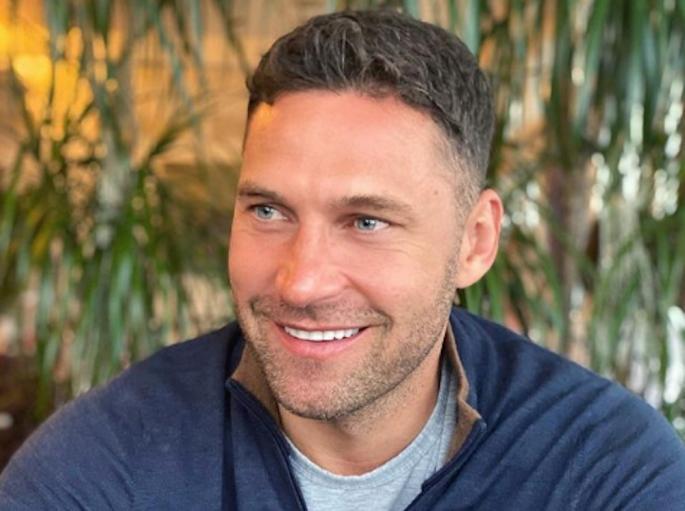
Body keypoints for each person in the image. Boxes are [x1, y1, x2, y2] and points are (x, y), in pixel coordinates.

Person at [1, 9, 684, 511]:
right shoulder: (100, 467)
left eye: (366, 222)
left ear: (475, 241)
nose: (301, 281)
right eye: (268, 211)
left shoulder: (604, 471)